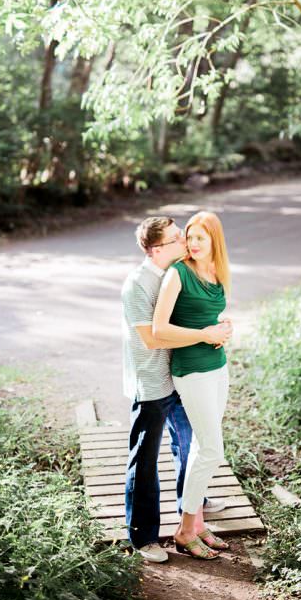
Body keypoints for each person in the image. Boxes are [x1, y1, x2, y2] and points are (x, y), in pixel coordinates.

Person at [121, 216, 231, 563]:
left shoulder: (179, 270)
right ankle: (144, 537)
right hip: (151, 381)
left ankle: (193, 506)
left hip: (179, 376)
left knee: (189, 445)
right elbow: (152, 337)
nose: (185, 242)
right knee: (145, 459)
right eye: (176, 239)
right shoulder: (138, 284)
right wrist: (204, 335)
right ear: (157, 249)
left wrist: (215, 326)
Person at [152, 211, 232, 560]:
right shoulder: (178, 273)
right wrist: (204, 335)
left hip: (218, 367)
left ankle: (198, 525)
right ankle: (184, 530)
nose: (193, 243)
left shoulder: (216, 272)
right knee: (213, 450)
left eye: (201, 237)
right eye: (190, 237)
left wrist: (224, 327)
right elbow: (158, 330)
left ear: (215, 241)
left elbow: (210, 316)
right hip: (192, 371)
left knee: (202, 447)